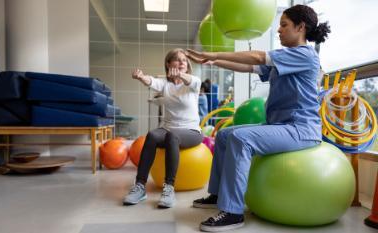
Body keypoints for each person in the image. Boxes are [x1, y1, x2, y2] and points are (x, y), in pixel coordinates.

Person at [186, 4, 331, 232]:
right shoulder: (286, 58)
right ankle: (217, 194)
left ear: (301, 27)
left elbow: (257, 56)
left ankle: (233, 212)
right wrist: (214, 62)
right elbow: (251, 67)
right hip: (280, 125)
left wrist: (214, 53)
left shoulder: (305, 55)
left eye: (284, 25)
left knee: (241, 139)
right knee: (224, 134)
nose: (279, 30)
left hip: (300, 129)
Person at [123, 48, 203, 208]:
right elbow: (150, 81)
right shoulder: (165, 85)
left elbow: (189, 80)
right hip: (168, 129)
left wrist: (180, 75)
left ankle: (169, 188)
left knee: (172, 136)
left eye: (184, 60)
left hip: (191, 131)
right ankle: (140, 186)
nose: (182, 62)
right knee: (152, 135)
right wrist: (141, 77)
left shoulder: (194, 82)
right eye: (177, 59)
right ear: (168, 64)